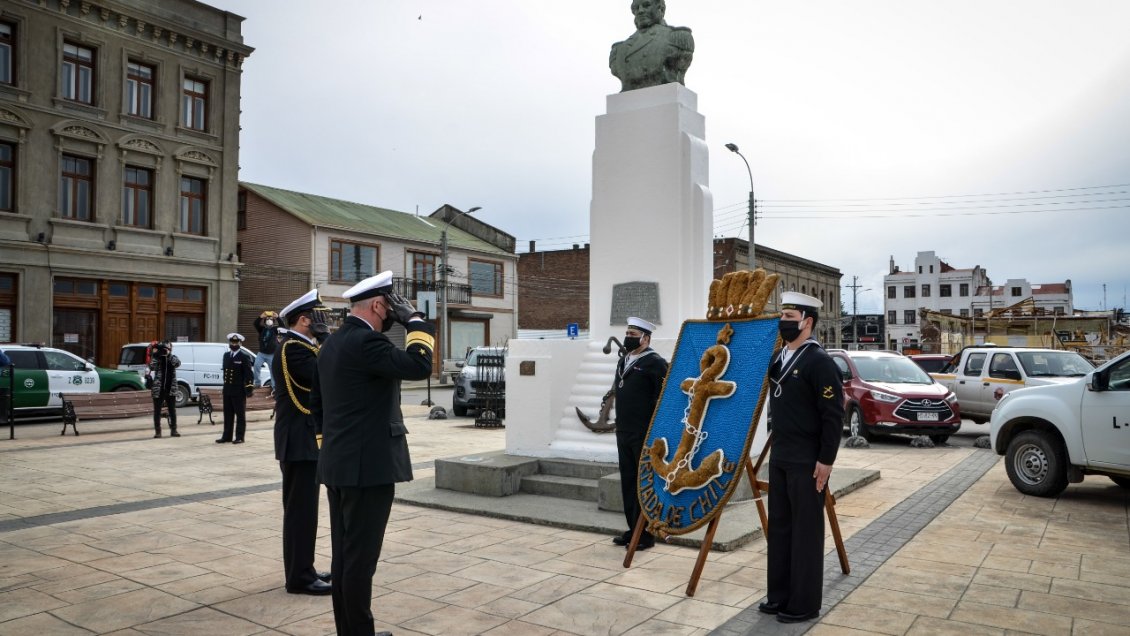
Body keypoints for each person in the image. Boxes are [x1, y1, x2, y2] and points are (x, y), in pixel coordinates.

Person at [315, 271, 434, 636]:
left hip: (340, 465)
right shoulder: (367, 344)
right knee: (361, 561)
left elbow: (316, 406)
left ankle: (350, 631)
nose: (392, 316)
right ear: (379, 305)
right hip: (366, 470)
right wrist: (415, 321)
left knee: (345, 557)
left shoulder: (332, 344)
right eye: (390, 308)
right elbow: (419, 365)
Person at [760, 292, 844, 624]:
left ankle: (804, 602)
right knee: (780, 528)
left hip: (808, 461)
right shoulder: (779, 358)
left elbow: (832, 415)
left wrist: (826, 459)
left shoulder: (819, 361)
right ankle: (779, 594)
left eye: (790, 316)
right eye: (782, 315)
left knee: (806, 532)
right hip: (781, 455)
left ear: (807, 322)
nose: (784, 322)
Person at [272, 289, 333, 596]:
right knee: (300, 513)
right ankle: (299, 577)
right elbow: (324, 377)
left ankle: (304, 568)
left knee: (305, 512)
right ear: (304, 319)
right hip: (299, 441)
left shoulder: (301, 346)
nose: (325, 322)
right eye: (319, 317)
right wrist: (326, 341)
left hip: (304, 439)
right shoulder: (294, 348)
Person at [611, 316, 668, 551]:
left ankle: (645, 535)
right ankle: (632, 528)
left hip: (644, 432)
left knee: (642, 483)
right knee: (627, 481)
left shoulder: (656, 363)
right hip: (623, 430)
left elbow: (663, 398)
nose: (629, 338)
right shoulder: (624, 360)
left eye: (634, 335)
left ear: (646, 338)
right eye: (628, 333)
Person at [609, 0, 695, 92]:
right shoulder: (618, 49)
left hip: (664, 95)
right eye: (636, 8)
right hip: (628, 101)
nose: (640, 11)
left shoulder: (677, 38)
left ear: (660, 9)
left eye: (646, 5)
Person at [216, 333, 254, 444]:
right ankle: (226, 436)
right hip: (227, 390)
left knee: (240, 414)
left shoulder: (244, 357)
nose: (233, 344)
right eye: (232, 342)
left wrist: (249, 388)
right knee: (227, 414)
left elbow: (249, 374)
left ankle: (239, 437)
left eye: (236, 342)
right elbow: (225, 373)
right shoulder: (226, 355)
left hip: (238, 391)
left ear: (240, 344)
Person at [146, 340, 181, 438]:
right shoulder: (157, 357)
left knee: (172, 410)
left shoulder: (173, 358)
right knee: (157, 411)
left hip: (171, 388)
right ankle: (158, 431)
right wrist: (157, 355)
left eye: (168, 348)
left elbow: (178, 364)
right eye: (165, 348)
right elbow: (152, 366)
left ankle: (173, 430)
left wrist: (169, 355)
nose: (166, 350)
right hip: (159, 388)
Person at [253, 310, 280, 387]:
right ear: (265, 321)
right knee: (256, 366)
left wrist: (277, 317)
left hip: (271, 354)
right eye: (267, 319)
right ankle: (257, 383)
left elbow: (282, 326)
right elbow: (255, 324)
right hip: (261, 353)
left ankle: (274, 386)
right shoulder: (261, 329)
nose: (269, 321)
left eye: (271, 319)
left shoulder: (275, 330)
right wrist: (261, 317)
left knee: (273, 370)